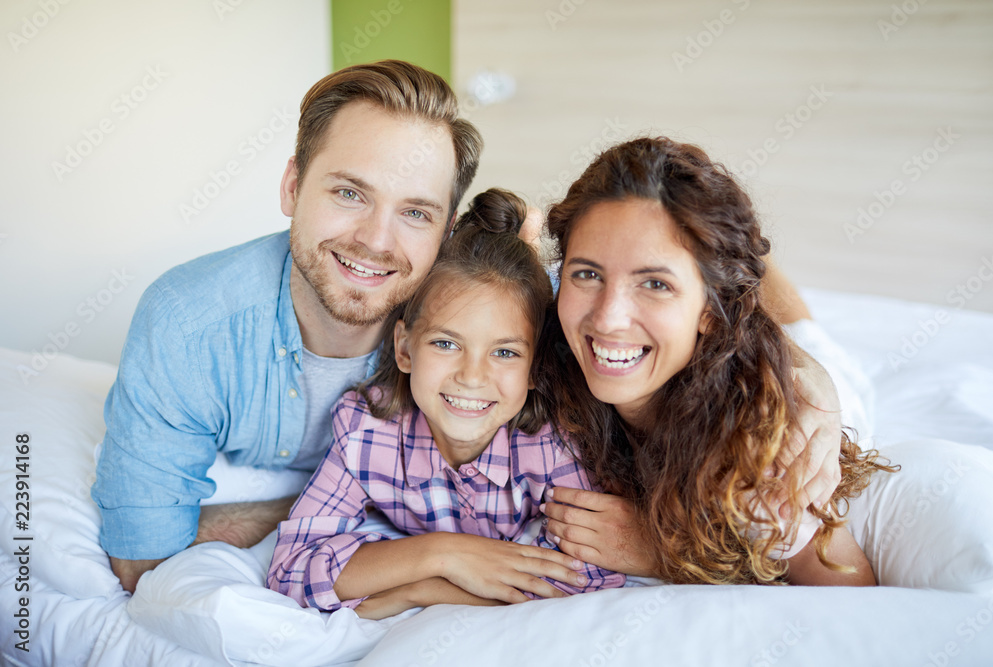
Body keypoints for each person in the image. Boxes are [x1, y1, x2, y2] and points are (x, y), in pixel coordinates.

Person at [90, 60, 484, 593]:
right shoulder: (187, 323)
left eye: (416, 213)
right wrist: (316, 505)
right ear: (293, 187)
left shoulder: (475, 334)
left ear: (446, 233)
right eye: (350, 193)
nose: (376, 240)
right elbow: (143, 560)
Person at [537, 137, 895, 585]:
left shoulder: (760, 440)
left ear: (711, 309)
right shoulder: (542, 332)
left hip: (806, 368)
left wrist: (662, 552)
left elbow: (850, 587)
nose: (608, 319)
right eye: (587, 273)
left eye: (655, 283)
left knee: (805, 332)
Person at [266, 190, 625, 619]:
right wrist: (439, 558)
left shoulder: (554, 443)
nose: (472, 377)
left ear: (536, 369)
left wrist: (431, 593)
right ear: (404, 349)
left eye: (505, 353)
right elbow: (290, 569)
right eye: (446, 343)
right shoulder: (365, 430)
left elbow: (587, 576)